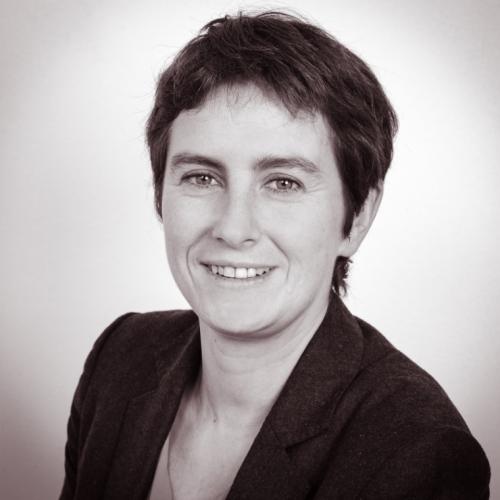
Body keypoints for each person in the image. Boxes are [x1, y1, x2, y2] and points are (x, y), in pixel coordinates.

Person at [60, 11, 490, 500]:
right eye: (202, 177)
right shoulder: (119, 358)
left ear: (357, 217)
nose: (233, 228)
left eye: (283, 183)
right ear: (160, 196)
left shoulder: (419, 453)